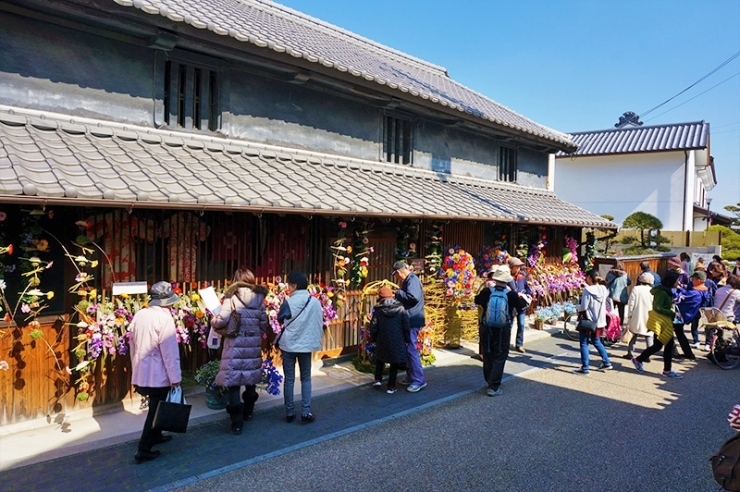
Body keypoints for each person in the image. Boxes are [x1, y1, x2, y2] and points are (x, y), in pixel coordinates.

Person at [128, 281, 182, 464]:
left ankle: (157, 435)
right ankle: (143, 449)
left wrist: (135, 368)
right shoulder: (165, 318)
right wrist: (175, 378)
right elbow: (170, 352)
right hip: (158, 373)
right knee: (155, 410)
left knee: (155, 406)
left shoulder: (139, 315)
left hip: (142, 370)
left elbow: (132, 345)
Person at [210, 268, 268, 435]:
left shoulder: (232, 296)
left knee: (233, 383)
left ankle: (236, 423)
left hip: (235, 344)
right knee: (250, 380)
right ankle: (248, 413)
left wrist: (213, 319)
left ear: (236, 279)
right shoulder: (259, 298)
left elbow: (222, 320)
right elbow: (263, 325)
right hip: (252, 344)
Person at [277, 271, 324, 423]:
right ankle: (306, 412)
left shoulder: (289, 302)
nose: (288, 288)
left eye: (289, 284)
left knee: (289, 379)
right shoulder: (315, 302)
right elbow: (318, 323)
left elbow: (280, 318)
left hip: (289, 345)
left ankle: (289, 412)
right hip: (306, 346)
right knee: (306, 378)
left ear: (295, 285)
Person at [474, 265, 519, 396]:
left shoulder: (487, 291)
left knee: (488, 354)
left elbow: (477, 300)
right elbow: (520, 306)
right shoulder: (510, 294)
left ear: (496, 278)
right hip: (503, 329)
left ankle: (489, 381)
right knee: (500, 355)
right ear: (507, 279)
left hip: (486, 328)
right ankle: (494, 387)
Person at [632, 270, 683, 378]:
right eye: (677, 280)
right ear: (671, 281)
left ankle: (639, 360)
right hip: (661, 322)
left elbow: (661, 305)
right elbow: (657, 307)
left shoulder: (665, 291)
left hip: (662, 322)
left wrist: (671, 302)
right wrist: (672, 312)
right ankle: (666, 370)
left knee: (659, 345)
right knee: (665, 346)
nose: (678, 282)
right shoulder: (663, 292)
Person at [392, 261, 427, 393]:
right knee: (408, 349)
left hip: (413, 320)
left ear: (399, 272)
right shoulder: (409, 280)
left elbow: (413, 297)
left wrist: (398, 293)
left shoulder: (412, 280)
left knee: (412, 350)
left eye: (395, 275)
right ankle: (411, 376)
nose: (396, 278)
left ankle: (419, 380)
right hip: (410, 319)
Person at [369, 286, 410, 394]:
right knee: (394, 362)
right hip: (397, 338)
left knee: (380, 358)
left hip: (382, 338)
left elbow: (373, 326)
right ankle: (391, 386)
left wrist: (374, 338)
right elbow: (406, 325)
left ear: (380, 297)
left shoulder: (378, 309)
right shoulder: (400, 308)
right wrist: (407, 339)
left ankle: (378, 379)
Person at [573, 269, 613, 374]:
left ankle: (585, 367)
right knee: (597, 341)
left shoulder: (588, 290)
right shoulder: (604, 289)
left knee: (583, 343)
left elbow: (583, 307)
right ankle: (606, 362)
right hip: (600, 320)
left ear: (590, 278)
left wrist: (576, 306)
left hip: (589, 320)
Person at [675, 271, 712, 350]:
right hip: (707, 309)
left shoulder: (694, 292)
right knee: (708, 327)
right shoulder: (707, 289)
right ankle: (707, 343)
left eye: (693, 279)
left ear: (699, 280)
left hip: (694, 311)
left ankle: (697, 342)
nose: (692, 281)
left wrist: (679, 289)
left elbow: (684, 297)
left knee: (694, 326)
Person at [624, 272, 655, 360]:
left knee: (633, 333)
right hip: (649, 315)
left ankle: (630, 353)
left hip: (636, 314)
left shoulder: (636, 289)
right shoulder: (652, 291)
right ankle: (648, 355)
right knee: (649, 335)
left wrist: (629, 314)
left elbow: (631, 303)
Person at [706, 275, 740, 351]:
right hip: (728, 317)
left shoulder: (719, 290)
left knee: (722, 333)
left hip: (716, 315)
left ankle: (718, 350)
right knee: (730, 334)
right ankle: (726, 350)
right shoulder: (736, 292)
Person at [507, 257, 532, 353]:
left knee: (521, 324)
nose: (518, 269)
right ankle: (507, 344)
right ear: (511, 267)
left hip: (521, 304)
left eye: (519, 267)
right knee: (509, 325)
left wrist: (528, 294)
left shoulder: (522, 276)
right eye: (516, 267)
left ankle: (519, 344)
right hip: (512, 305)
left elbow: (526, 287)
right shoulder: (508, 277)